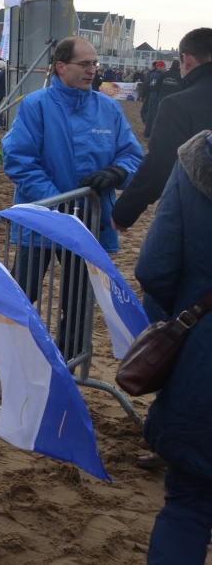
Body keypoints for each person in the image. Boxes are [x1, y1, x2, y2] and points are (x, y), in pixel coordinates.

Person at [0, 36, 143, 359]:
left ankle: (67, 366)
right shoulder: (36, 105)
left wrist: (118, 172)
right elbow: (19, 160)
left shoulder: (108, 107)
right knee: (22, 292)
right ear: (61, 67)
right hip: (42, 220)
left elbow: (132, 154)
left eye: (95, 64)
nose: (93, 70)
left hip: (89, 223)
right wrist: (61, 203)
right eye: (85, 64)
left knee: (78, 301)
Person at [136, 130, 212, 564]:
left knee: (189, 501)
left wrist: (183, 322)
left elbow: (156, 268)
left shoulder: (199, 157)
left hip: (205, 356)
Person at [113, 28, 212, 233]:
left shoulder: (180, 104)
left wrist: (124, 212)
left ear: (186, 59)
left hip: (197, 211)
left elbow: (160, 164)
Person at [145, 60, 183, 139]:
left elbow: (157, 86)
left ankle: (149, 133)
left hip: (161, 97)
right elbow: (181, 88)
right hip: (173, 98)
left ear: (171, 65)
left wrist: (159, 95)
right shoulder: (180, 76)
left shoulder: (164, 74)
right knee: (170, 117)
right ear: (179, 66)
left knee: (158, 116)